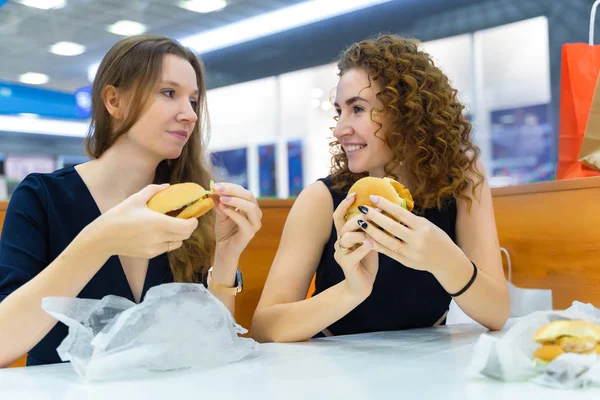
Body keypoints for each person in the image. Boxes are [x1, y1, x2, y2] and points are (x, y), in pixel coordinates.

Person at [0, 35, 262, 367]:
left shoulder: (187, 205)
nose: (190, 115)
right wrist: (99, 241)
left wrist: (226, 256)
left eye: (194, 101)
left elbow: (213, 349)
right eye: (169, 93)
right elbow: (3, 343)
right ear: (114, 101)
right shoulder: (42, 197)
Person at [251, 35, 509, 342]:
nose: (339, 128)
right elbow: (265, 328)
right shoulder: (322, 199)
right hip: (333, 374)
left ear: (407, 112)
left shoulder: (462, 179)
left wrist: (445, 260)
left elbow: (497, 312)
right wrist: (351, 290)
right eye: (339, 111)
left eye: (357, 109)